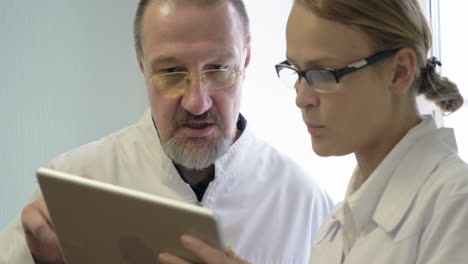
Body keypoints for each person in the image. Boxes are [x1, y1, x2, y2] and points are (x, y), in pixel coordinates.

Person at [0, 0, 334, 263]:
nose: (197, 102)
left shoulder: (306, 206)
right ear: (141, 62)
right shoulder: (71, 185)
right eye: (171, 71)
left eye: (218, 69)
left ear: (246, 58)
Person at [156, 0, 468, 263]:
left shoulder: (455, 206)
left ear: (399, 71)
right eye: (297, 72)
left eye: (323, 73)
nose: (301, 98)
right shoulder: (335, 226)